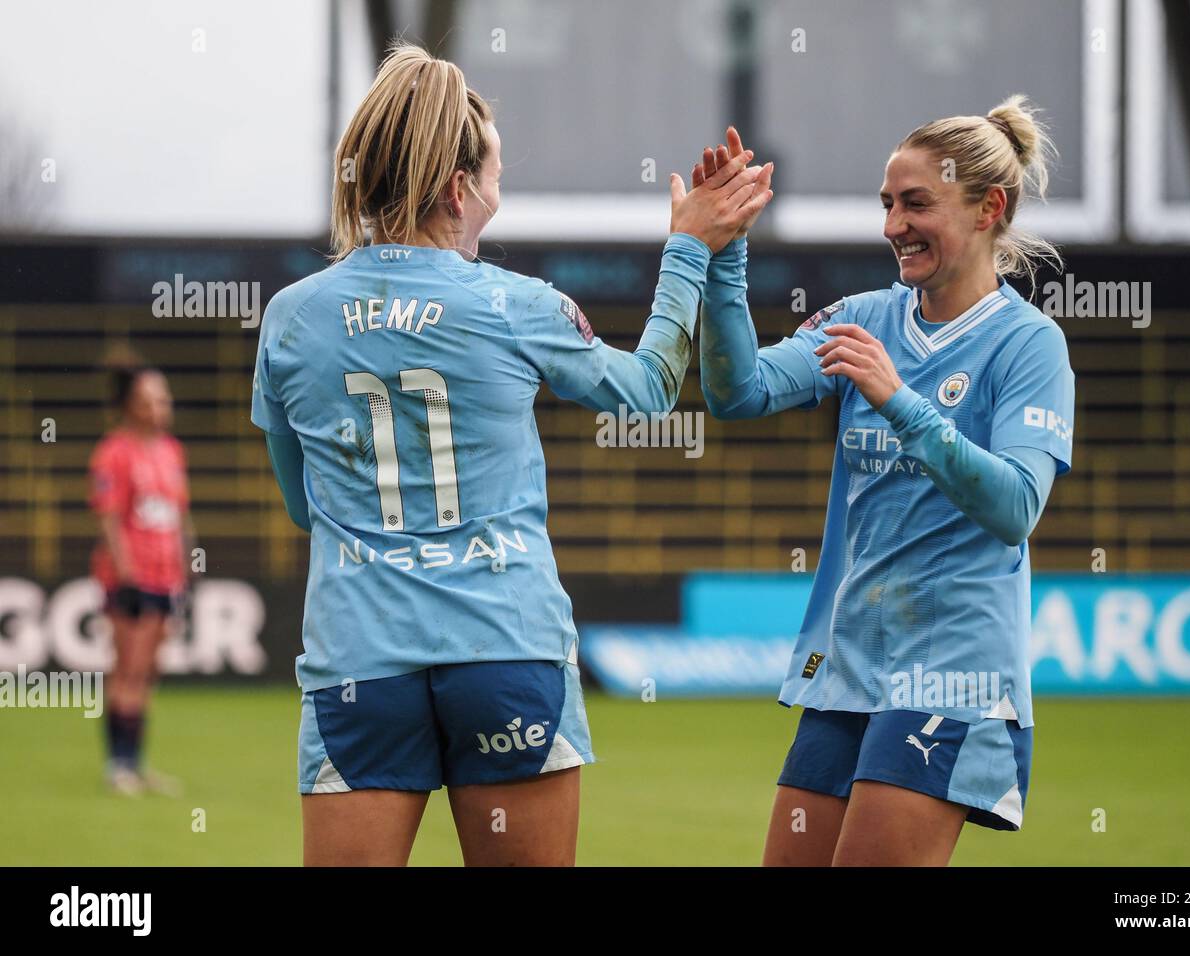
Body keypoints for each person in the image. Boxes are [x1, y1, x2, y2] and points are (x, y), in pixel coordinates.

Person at [251, 43, 773, 866]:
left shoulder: (290, 317)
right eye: (495, 174)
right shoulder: (515, 303)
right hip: (504, 650)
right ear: (459, 189)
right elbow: (645, 392)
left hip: (360, 662)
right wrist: (687, 248)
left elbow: (300, 504)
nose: (499, 192)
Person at [695, 100, 1074, 865]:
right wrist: (726, 258)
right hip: (848, 668)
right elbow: (738, 393)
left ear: (987, 208)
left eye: (916, 203)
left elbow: (1014, 507)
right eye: (887, 204)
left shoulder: (1028, 345)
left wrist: (900, 401)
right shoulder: (867, 316)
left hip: (952, 676)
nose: (892, 224)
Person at [89, 364, 192, 796]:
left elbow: (181, 515)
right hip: (132, 578)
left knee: (148, 670)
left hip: (166, 578)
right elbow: (109, 519)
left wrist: (187, 567)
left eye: (163, 397)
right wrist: (126, 575)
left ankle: (137, 762)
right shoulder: (114, 452)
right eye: (150, 399)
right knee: (127, 668)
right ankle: (119, 765)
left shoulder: (170, 450)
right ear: (130, 405)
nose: (160, 407)